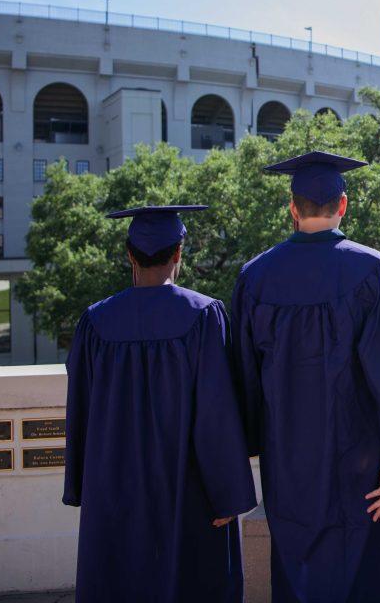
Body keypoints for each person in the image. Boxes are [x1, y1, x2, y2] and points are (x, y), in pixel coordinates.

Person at [230, 151, 380, 602]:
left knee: (300, 565)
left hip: (289, 459)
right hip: (360, 456)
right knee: (364, 567)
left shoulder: (254, 277)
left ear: (292, 208)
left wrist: (257, 443)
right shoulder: (373, 269)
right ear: (343, 205)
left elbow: (244, 375)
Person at [64, 205, 257, 603]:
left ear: (129, 255)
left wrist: (85, 484)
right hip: (187, 492)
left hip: (114, 490)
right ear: (179, 253)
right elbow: (216, 412)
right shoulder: (204, 315)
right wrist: (228, 493)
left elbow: (80, 409)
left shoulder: (96, 322)